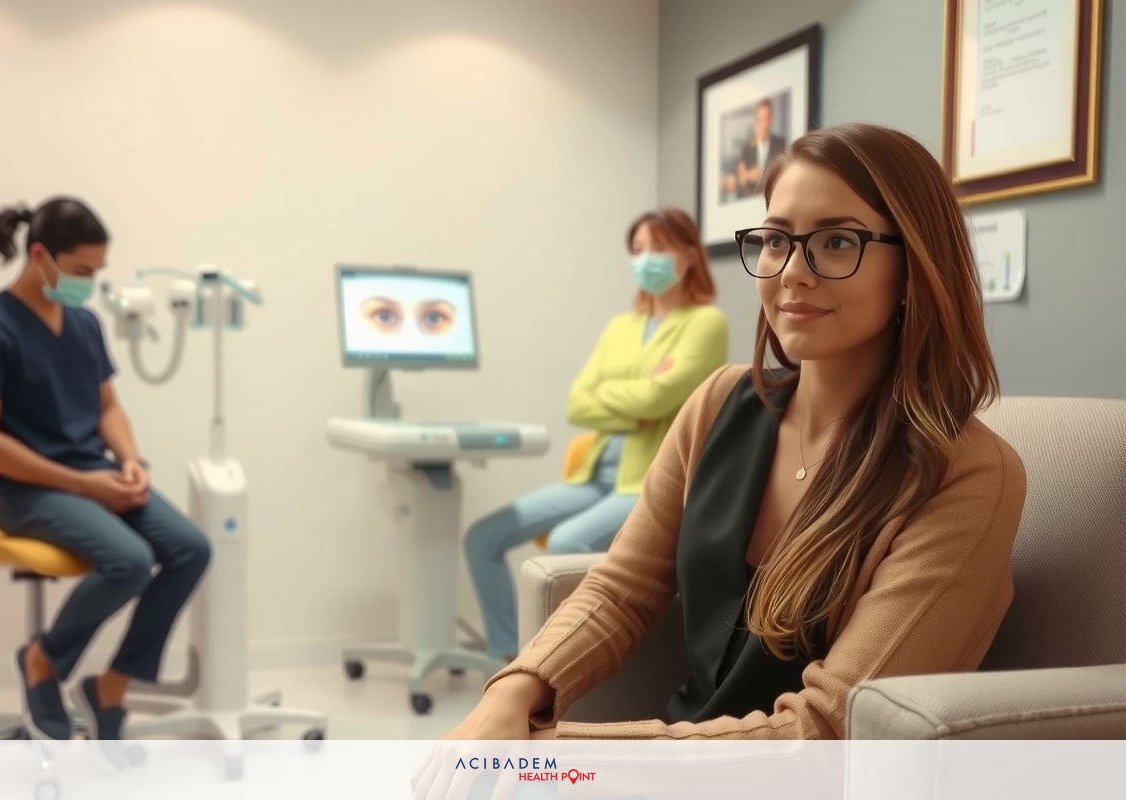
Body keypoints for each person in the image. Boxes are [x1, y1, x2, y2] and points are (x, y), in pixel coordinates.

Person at [415, 121, 1028, 776]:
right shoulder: (719, 403)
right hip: (679, 764)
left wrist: (559, 759)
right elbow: (620, 591)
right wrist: (512, 693)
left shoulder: (966, 474)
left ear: (915, 265)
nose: (793, 272)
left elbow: (831, 731)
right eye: (774, 241)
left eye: (837, 241)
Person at [0, 197, 212, 747]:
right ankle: (43, 660)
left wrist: (130, 462)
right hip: (22, 490)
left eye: (97, 271)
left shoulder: (85, 325)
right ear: (40, 255)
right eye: (82, 271)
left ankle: (110, 688)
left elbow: (108, 408)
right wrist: (80, 483)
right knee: (131, 560)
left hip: (93, 476)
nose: (90, 283)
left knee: (191, 548)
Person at [463, 208, 729, 664]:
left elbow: (660, 399)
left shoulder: (706, 323)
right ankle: (509, 657)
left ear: (687, 257)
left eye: (658, 249)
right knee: (483, 537)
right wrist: (638, 404)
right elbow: (578, 402)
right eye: (638, 250)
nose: (646, 260)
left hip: (647, 481)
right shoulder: (620, 328)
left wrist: (618, 397)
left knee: (568, 543)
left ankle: (552, 668)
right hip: (594, 475)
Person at [735, 98, 787, 198]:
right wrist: (747, 176)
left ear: (771, 119)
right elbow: (740, 183)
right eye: (761, 120)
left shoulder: (781, 145)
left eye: (767, 118)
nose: (764, 124)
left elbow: (783, 178)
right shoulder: (746, 149)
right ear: (756, 121)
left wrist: (760, 177)